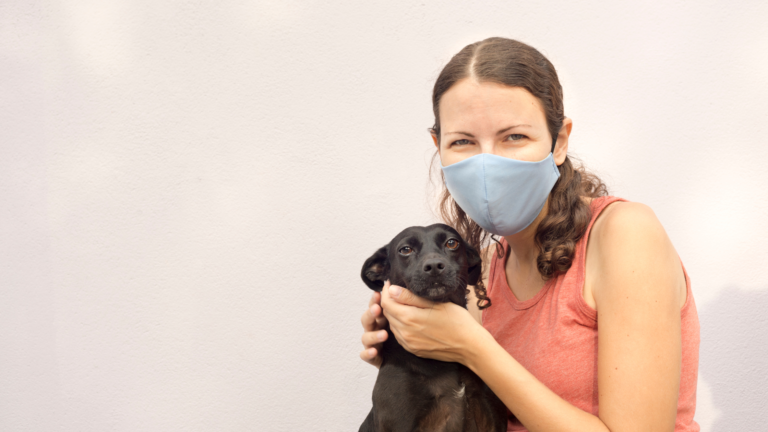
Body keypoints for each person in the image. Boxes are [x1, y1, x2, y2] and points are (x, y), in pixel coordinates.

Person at [359, 37, 700, 432]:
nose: (488, 162)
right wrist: (411, 350)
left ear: (560, 141)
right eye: (463, 142)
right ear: (439, 147)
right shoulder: (479, 270)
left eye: (514, 137)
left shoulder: (625, 235)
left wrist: (471, 347)